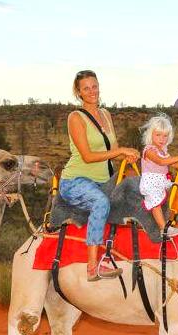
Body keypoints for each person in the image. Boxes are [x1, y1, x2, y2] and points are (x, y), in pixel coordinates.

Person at [60, 69, 139, 281]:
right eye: (86, 88)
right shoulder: (75, 117)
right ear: (78, 92)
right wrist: (120, 151)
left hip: (102, 179)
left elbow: (111, 149)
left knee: (138, 193)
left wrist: (126, 155)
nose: (92, 91)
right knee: (101, 202)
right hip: (76, 181)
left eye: (94, 86)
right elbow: (87, 156)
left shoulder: (106, 115)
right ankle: (93, 267)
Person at [139, 113, 178, 236]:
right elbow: (161, 161)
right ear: (150, 135)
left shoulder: (163, 151)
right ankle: (163, 227)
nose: (161, 139)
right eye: (158, 135)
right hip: (151, 182)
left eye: (165, 136)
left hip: (162, 181)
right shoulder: (149, 151)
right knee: (155, 201)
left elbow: (174, 165)